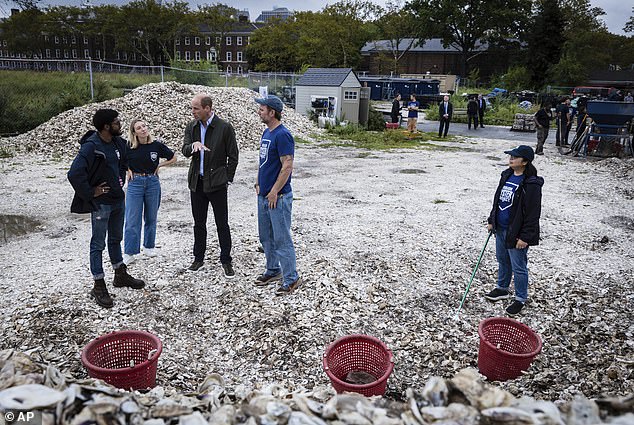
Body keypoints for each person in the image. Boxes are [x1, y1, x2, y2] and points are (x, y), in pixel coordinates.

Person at [67, 109, 145, 308]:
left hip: (118, 200)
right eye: (116, 121)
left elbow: (124, 161)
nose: (120, 123)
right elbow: (74, 173)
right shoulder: (91, 147)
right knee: (98, 244)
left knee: (115, 239)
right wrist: (92, 192)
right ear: (106, 126)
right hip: (101, 204)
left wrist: (119, 179)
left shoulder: (118, 142)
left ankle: (120, 275)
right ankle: (98, 285)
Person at [182, 93, 239, 277]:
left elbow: (233, 156)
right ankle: (198, 258)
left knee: (222, 223)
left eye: (196, 108)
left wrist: (226, 178)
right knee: (199, 223)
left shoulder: (224, 128)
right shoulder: (192, 127)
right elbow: (184, 150)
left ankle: (226, 260)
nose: (193, 112)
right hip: (197, 184)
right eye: (191, 108)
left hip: (217, 185)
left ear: (207, 108)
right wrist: (193, 146)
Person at [485, 145, 543, 315]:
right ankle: (502, 288)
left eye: (515, 157)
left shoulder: (531, 184)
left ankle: (520, 298)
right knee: (502, 260)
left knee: (519, 266)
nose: (510, 159)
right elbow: (498, 200)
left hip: (516, 232)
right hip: (501, 228)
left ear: (525, 161)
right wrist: (492, 220)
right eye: (510, 156)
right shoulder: (507, 175)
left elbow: (533, 213)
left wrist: (525, 237)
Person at [253, 95, 301, 295]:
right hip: (264, 195)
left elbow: (287, 165)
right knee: (266, 237)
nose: (259, 112)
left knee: (282, 239)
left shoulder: (283, 135)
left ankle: (291, 278)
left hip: (278, 198)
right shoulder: (267, 132)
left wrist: (274, 191)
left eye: (262, 109)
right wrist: (258, 182)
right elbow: (263, 161)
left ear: (272, 112)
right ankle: (273, 270)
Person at [123, 119, 176, 264]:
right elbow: (121, 160)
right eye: (139, 128)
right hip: (136, 183)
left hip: (152, 182)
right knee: (132, 218)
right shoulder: (129, 146)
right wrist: (128, 170)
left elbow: (173, 157)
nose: (143, 129)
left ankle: (149, 246)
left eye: (144, 126)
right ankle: (129, 252)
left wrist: (160, 165)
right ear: (134, 132)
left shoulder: (156, 145)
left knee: (151, 216)